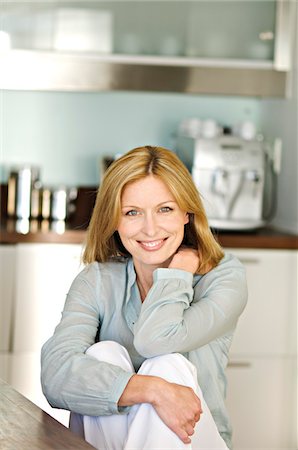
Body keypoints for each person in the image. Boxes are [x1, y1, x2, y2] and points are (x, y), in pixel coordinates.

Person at [41, 145, 247, 450]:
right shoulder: (98, 280)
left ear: (187, 213)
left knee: (165, 365)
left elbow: (155, 341)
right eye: (132, 212)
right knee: (103, 355)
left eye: (165, 209)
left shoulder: (223, 276)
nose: (150, 229)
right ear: (114, 220)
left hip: (198, 442)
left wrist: (177, 275)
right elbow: (55, 375)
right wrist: (152, 391)